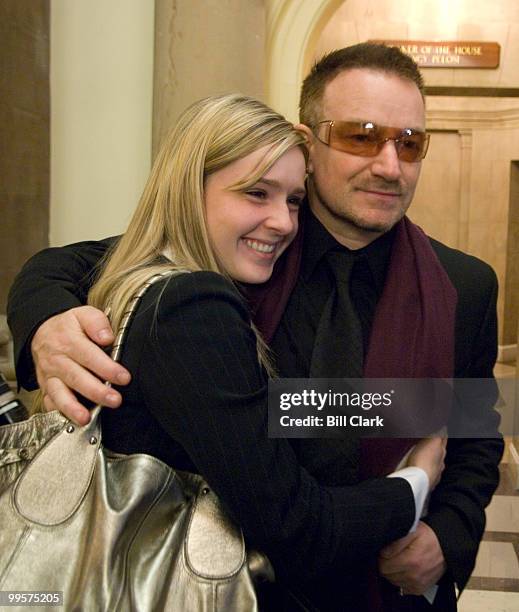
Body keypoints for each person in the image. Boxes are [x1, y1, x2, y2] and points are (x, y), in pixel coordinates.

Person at [7, 44, 502, 610]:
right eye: (361, 135)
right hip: (235, 581)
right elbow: (71, 264)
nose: (390, 165)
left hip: (386, 587)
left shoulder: (462, 285)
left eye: (410, 143)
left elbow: (473, 431)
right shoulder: (243, 247)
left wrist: (448, 538)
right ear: (308, 140)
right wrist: (46, 321)